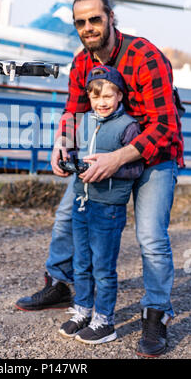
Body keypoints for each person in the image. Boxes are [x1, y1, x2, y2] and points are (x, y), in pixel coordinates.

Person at [15, 0, 184, 358]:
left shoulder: (145, 56)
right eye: (80, 21)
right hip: (104, 158)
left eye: (95, 19)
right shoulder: (81, 64)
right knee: (64, 218)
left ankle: (156, 311)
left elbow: (167, 127)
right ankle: (61, 285)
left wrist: (118, 158)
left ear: (110, 17)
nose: (88, 27)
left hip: (151, 157)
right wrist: (61, 143)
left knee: (151, 237)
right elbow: (73, 113)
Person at [58, 65, 143, 345]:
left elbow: (136, 169)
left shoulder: (129, 126)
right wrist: (69, 161)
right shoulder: (87, 121)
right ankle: (83, 310)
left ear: (120, 95)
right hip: (83, 202)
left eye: (109, 95)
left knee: (103, 267)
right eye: (96, 97)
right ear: (90, 99)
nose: (102, 102)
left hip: (108, 208)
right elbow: (79, 152)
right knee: (81, 263)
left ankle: (105, 320)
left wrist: (108, 169)